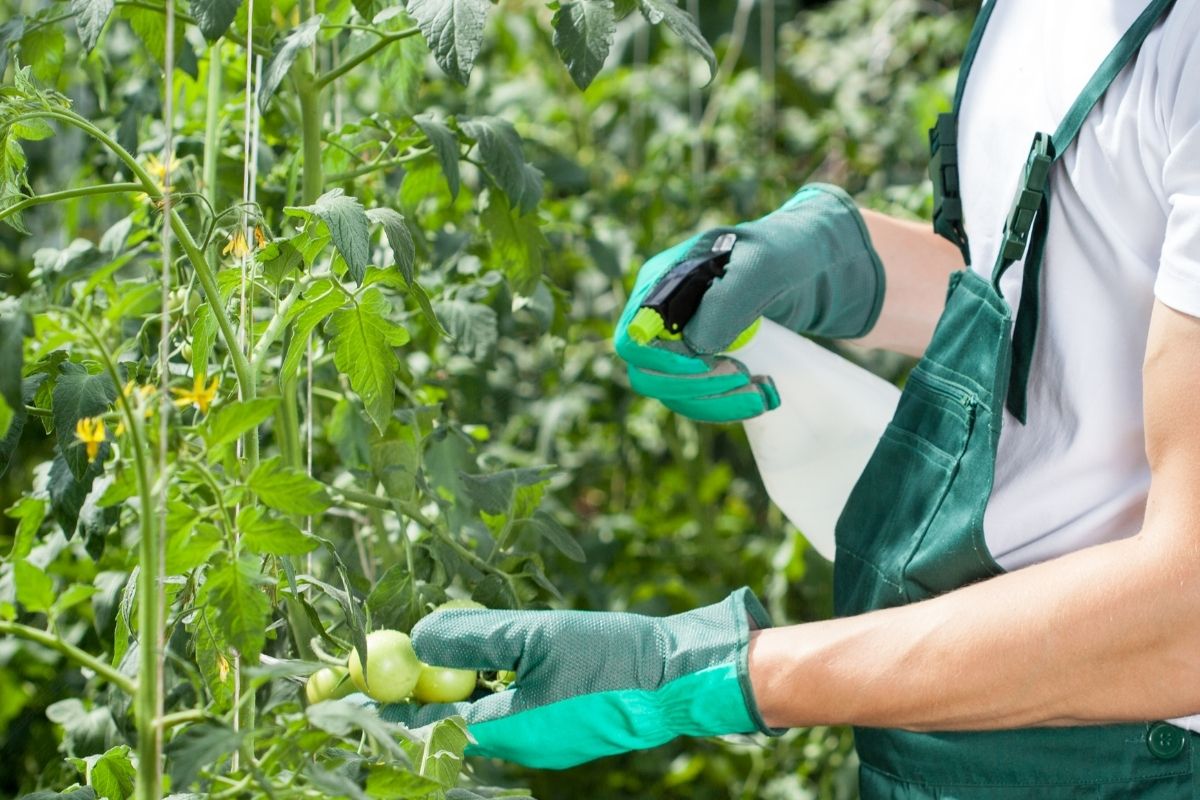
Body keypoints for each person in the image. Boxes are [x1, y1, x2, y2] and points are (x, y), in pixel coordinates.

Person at [379, 1, 1200, 794]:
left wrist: (702, 674)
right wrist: (839, 263)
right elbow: (1067, 292)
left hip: (1131, 749)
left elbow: (1183, 620)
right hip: (960, 704)